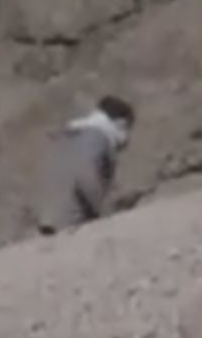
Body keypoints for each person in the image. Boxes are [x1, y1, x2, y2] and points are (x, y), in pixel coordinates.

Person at [37, 96, 136, 236]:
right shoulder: (96, 138)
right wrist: (106, 212)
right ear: (120, 124)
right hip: (72, 222)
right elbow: (87, 177)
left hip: (48, 220)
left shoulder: (70, 137)